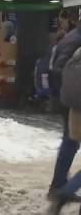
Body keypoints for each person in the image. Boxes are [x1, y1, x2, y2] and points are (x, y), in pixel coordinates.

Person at [47, 20, 81, 212]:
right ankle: (60, 189)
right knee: (70, 142)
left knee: (71, 142)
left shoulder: (73, 38)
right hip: (72, 102)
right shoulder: (74, 40)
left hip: (70, 100)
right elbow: (58, 69)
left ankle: (60, 187)